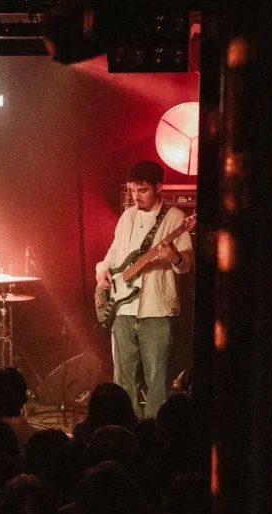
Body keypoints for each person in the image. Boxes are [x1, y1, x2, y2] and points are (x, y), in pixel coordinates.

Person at [95, 160, 193, 419]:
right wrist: (102, 271)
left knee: (157, 379)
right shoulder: (127, 216)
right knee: (123, 379)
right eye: (132, 190)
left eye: (142, 190)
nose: (135, 197)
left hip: (156, 309)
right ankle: (126, 427)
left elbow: (186, 265)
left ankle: (154, 432)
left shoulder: (176, 218)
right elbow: (114, 253)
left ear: (158, 187)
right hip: (123, 308)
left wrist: (174, 257)